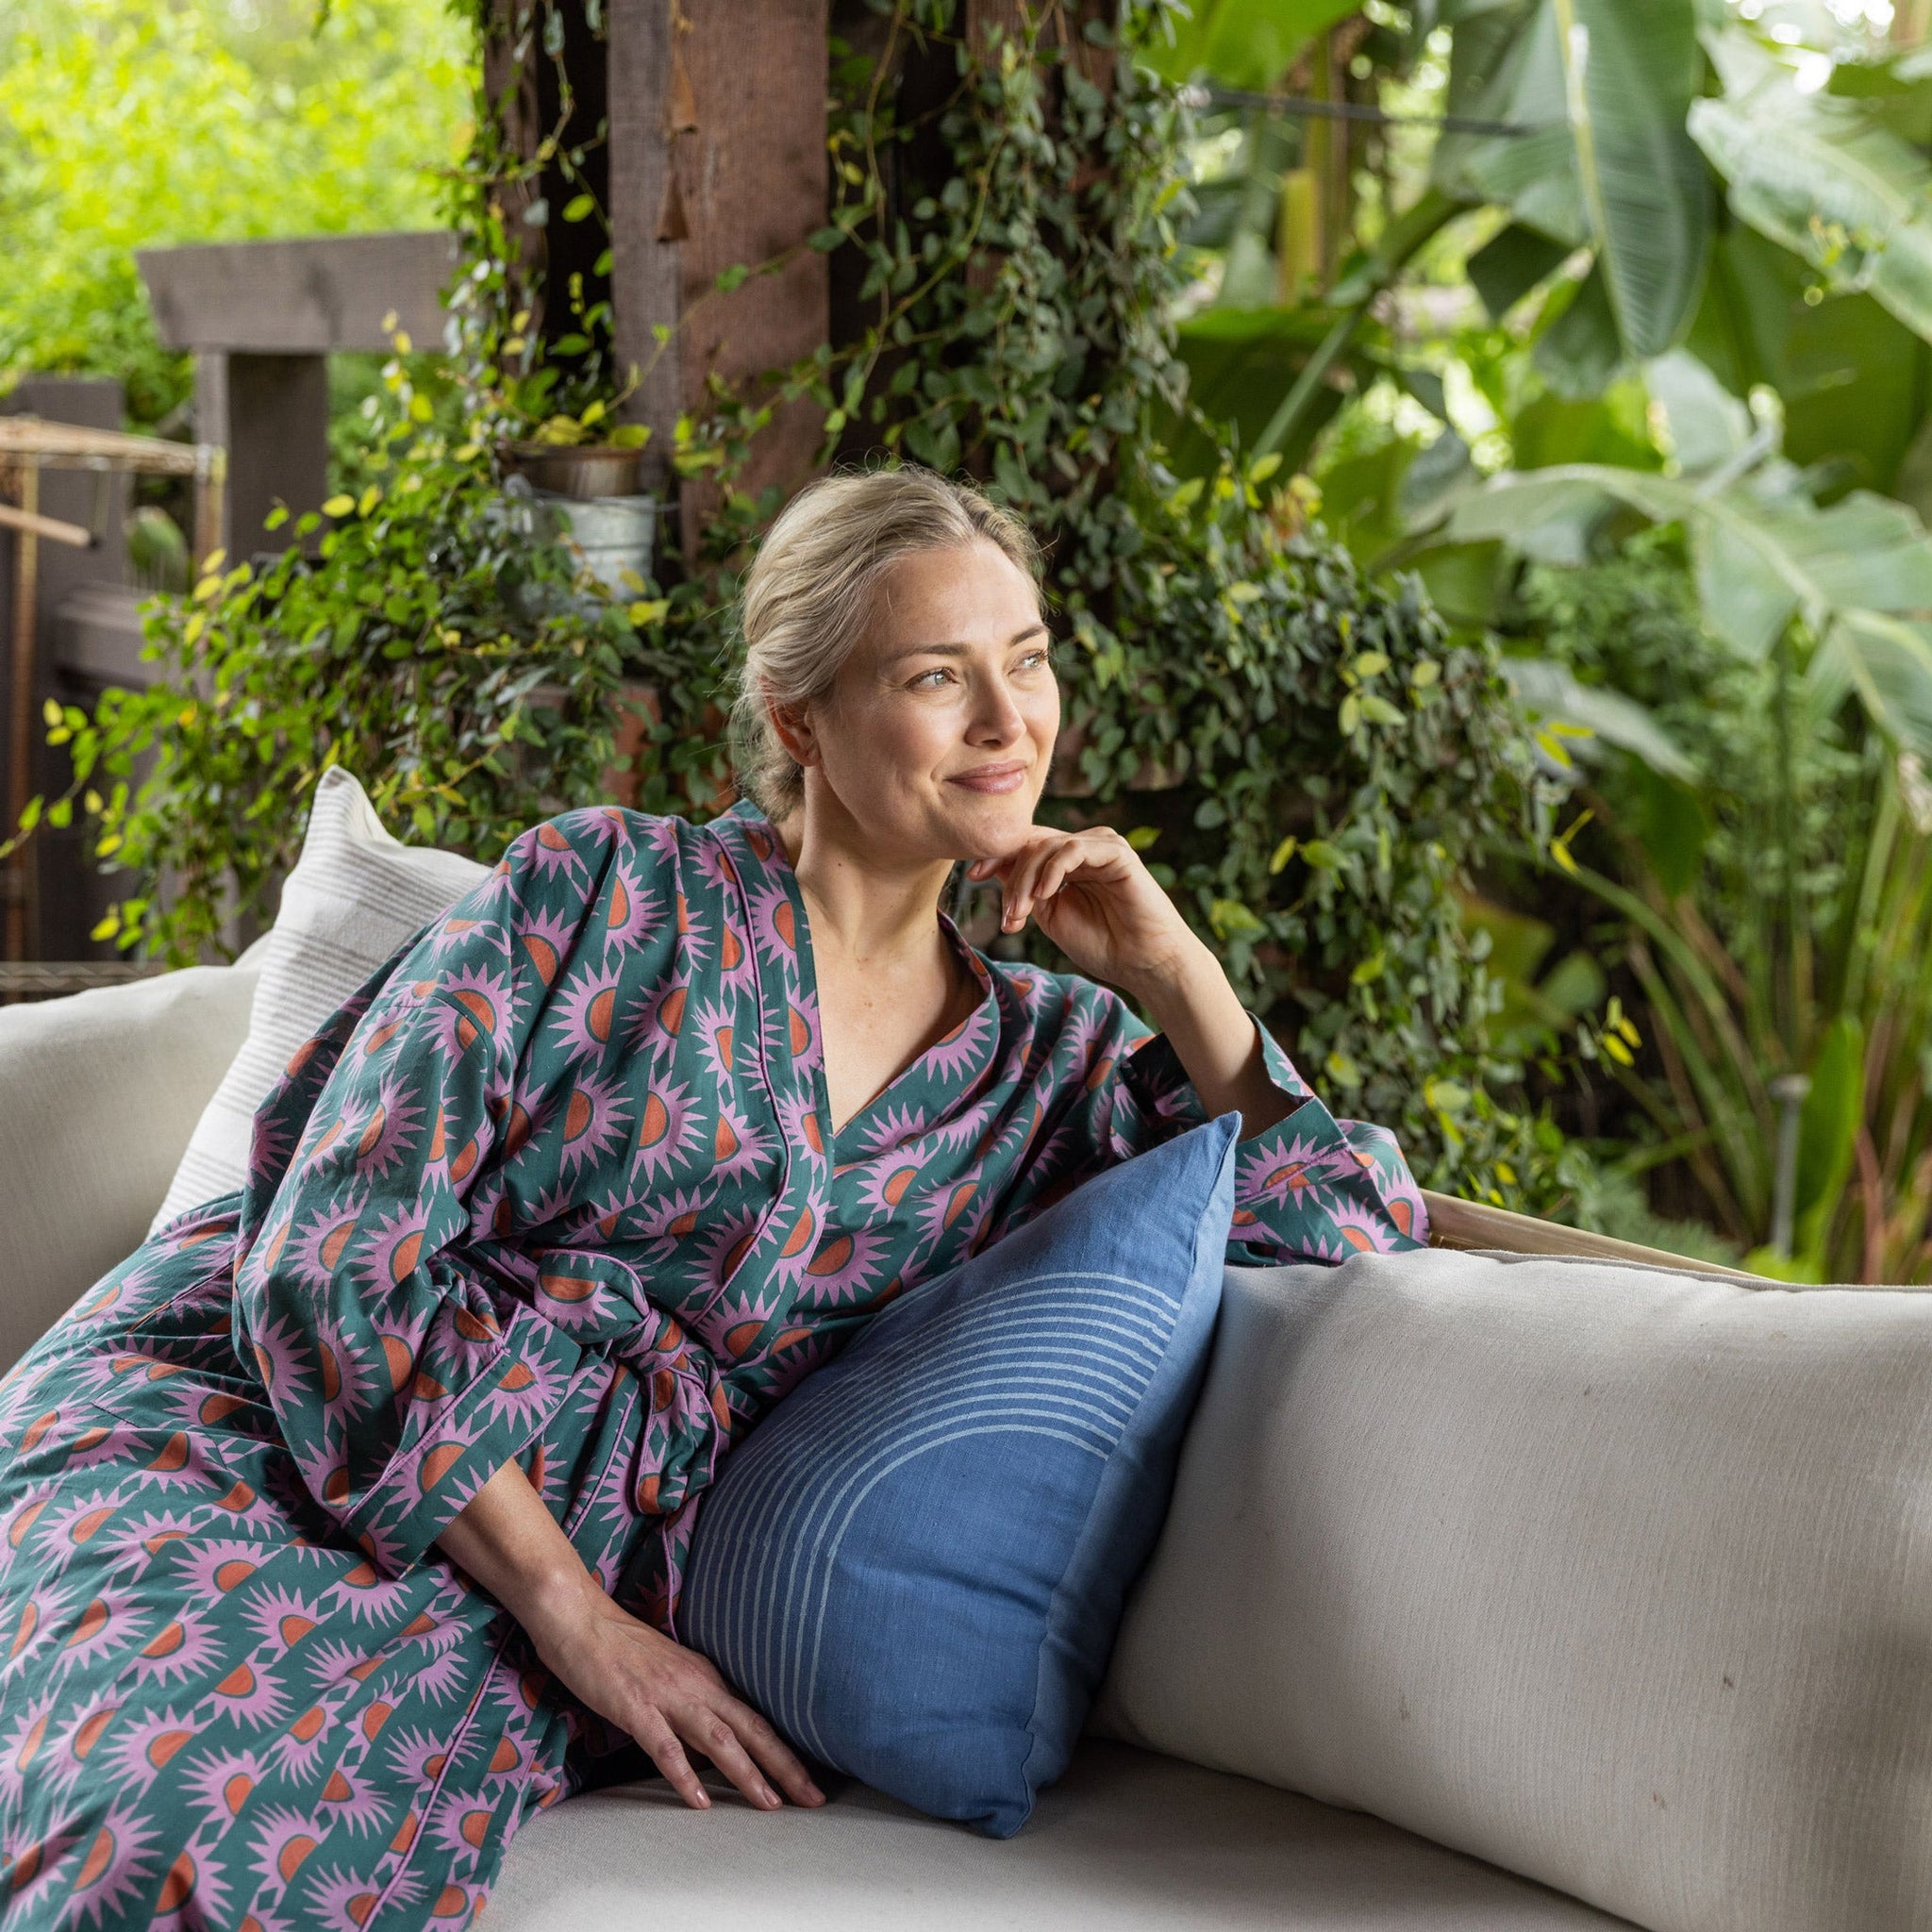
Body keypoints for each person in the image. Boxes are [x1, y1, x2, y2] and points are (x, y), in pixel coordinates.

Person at [0, 466, 1426, 1928]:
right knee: (122, 1820)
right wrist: (579, 1621)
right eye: (939, 677)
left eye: (1030, 660)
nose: (1010, 723)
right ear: (799, 719)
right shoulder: (598, 891)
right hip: (251, 1436)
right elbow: (329, 1258)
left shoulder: (1051, 1070)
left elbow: (1340, 1226)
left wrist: (1176, 972)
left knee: (228, 1860)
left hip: (511, 1585)